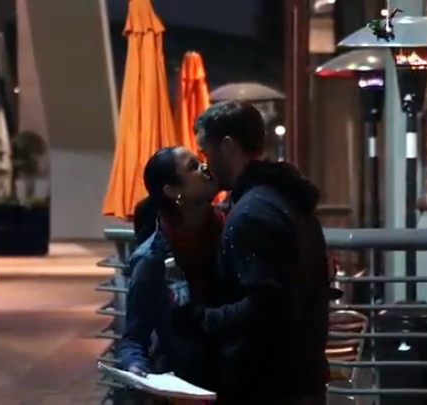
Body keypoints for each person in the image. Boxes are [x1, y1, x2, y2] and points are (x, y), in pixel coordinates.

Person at [174, 100, 330, 405]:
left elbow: (264, 307)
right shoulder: (289, 199)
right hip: (302, 376)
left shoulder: (250, 214)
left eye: (206, 152)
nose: (206, 165)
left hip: (267, 385)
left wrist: (201, 317)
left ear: (228, 146)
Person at [115, 146, 223, 394]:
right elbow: (133, 339)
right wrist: (135, 367)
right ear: (173, 191)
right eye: (193, 167)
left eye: (200, 161)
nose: (205, 168)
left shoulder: (230, 230)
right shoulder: (152, 259)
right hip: (186, 386)